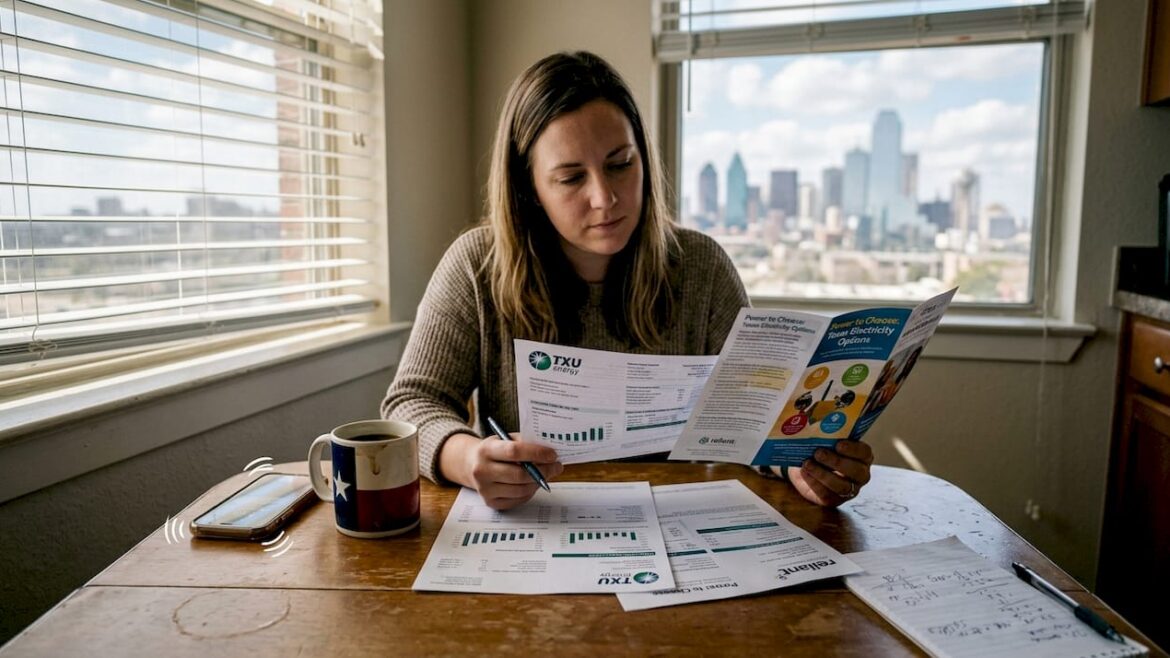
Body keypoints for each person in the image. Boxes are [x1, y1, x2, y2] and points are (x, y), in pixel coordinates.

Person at [381, 51, 873, 510]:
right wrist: (466, 458)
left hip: (674, 524)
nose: (606, 197)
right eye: (572, 178)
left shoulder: (701, 267)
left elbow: (753, 421)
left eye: (621, 164)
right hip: (532, 524)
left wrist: (801, 467)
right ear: (529, 188)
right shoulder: (476, 265)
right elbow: (411, 403)